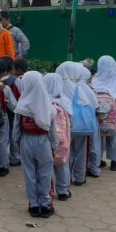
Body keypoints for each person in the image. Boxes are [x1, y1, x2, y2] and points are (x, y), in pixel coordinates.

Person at [13, 71, 58, 218]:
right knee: (45, 173)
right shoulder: (47, 105)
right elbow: (52, 130)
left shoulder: (22, 104)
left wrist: (17, 143)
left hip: (26, 140)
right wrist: (54, 146)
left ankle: (33, 204)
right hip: (43, 141)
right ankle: (45, 204)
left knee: (29, 174)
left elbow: (16, 128)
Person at [57, 61, 96, 186]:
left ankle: (65, 178)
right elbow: (90, 104)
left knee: (65, 151)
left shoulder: (57, 86)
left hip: (62, 126)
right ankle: (79, 177)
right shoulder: (78, 87)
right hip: (79, 125)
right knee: (80, 150)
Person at [91, 55, 116, 172]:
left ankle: (98, 160)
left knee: (98, 138)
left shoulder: (95, 79)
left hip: (98, 113)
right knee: (114, 137)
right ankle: (114, 161)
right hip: (113, 114)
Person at [44, 73, 73, 202]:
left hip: (46, 140)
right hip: (63, 140)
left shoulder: (43, 103)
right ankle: (63, 191)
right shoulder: (64, 102)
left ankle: (47, 190)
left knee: (46, 166)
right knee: (62, 164)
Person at [80, 66, 102, 179]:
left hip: (75, 124)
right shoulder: (87, 89)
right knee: (93, 146)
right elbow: (96, 106)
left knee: (78, 150)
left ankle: (79, 173)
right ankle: (93, 168)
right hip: (90, 121)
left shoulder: (72, 87)